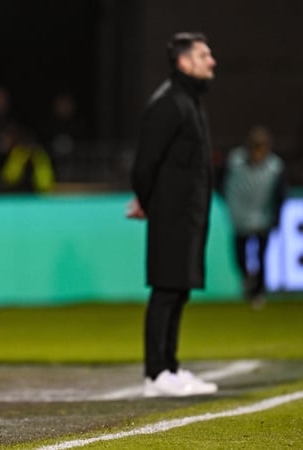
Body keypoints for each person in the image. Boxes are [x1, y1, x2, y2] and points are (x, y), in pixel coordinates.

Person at [127, 31, 218, 397]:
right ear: (184, 62)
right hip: (171, 215)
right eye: (203, 55)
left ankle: (171, 366)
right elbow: (145, 164)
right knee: (166, 291)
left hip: (188, 214)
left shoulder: (188, 101)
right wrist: (148, 202)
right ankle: (155, 373)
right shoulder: (168, 104)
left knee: (179, 290)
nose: (211, 61)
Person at [222, 126, 286, 309]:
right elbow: (221, 183)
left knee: (262, 256)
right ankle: (248, 280)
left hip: (263, 217)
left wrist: (276, 218)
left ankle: (258, 292)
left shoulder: (275, 167)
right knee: (239, 256)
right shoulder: (235, 162)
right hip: (240, 217)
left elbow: (281, 195)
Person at [0, 122, 56, 193]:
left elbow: (8, 178)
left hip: (37, 192)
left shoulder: (38, 154)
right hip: (17, 191)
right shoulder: (19, 153)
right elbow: (9, 177)